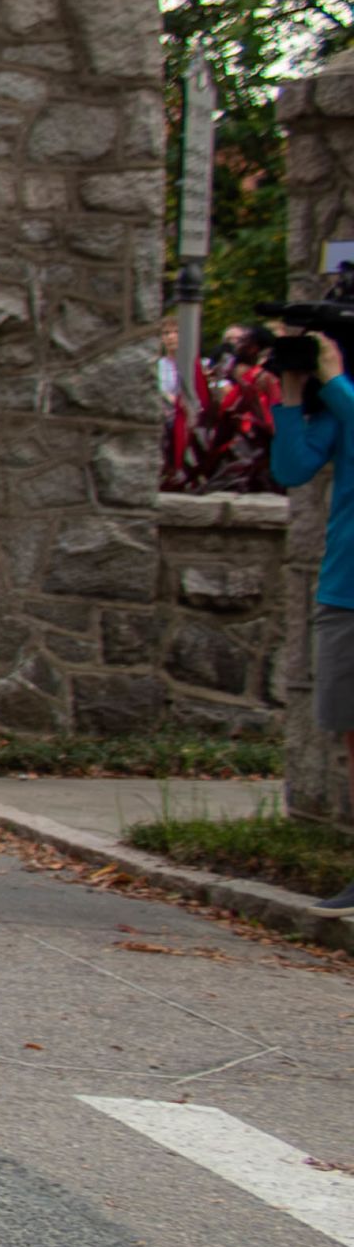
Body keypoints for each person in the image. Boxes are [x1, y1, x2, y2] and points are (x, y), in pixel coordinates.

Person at [264, 337, 354, 909]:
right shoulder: (343, 405)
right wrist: (294, 395)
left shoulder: (347, 397)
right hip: (345, 589)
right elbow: (292, 467)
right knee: (352, 732)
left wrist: (337, 381)